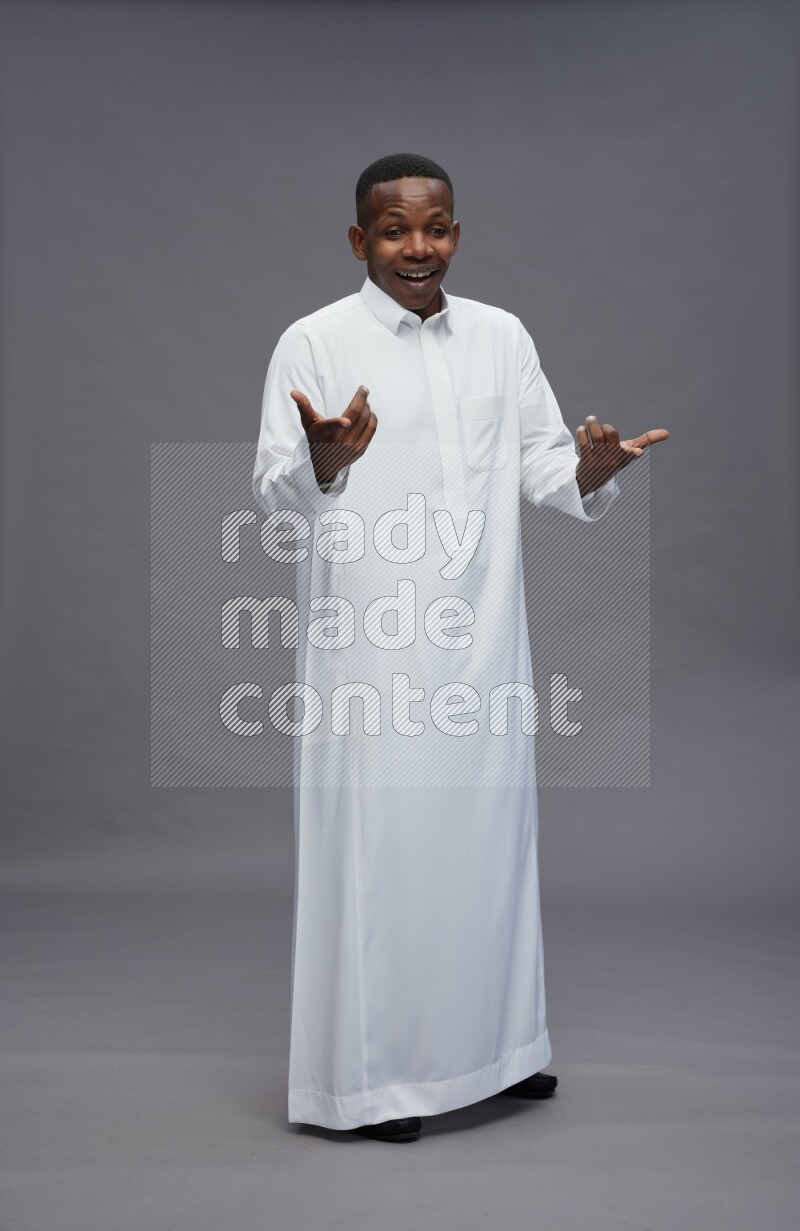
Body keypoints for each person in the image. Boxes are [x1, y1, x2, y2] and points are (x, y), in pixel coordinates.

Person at [251, 153, 668, 1143]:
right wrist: (323, 458)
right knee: (386, 857)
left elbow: (535, 460)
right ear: (358, 241)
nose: (416, 247)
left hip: (479, 646)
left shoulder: (499, 337)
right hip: (370, 649)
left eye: (434, 227)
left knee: (487, 851)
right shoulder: (312, 343)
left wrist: (586, 465)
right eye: (392, 230)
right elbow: (274, 489)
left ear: (456, 232)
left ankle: (502, 1050)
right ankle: (377, 1081)